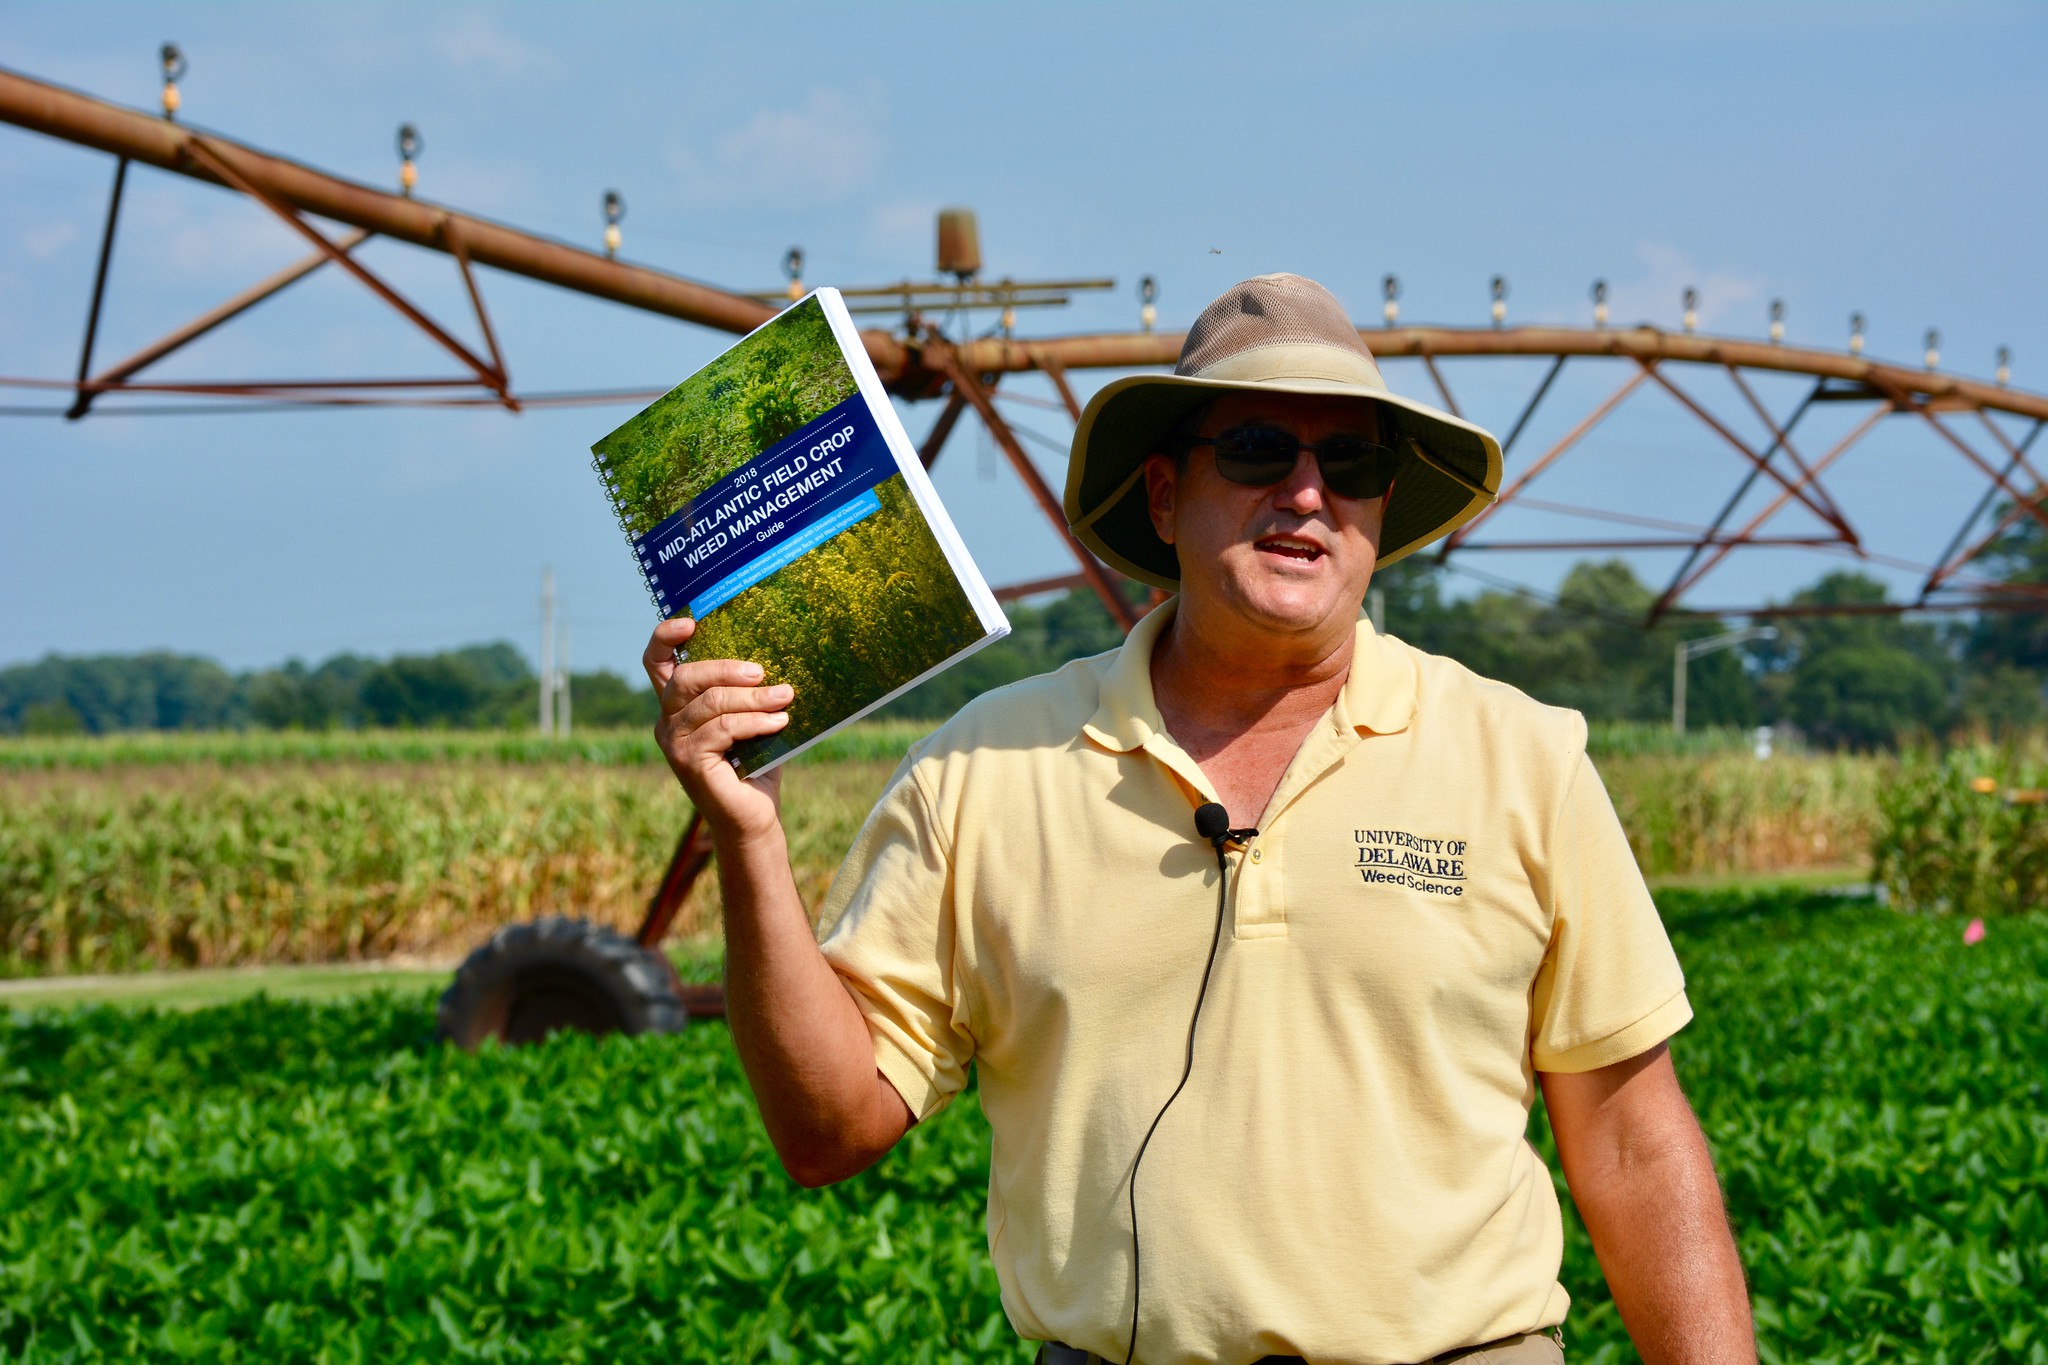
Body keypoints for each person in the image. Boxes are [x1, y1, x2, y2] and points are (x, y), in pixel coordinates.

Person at [645, 274, 1756, 1365]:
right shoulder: (984, 767)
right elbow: (828, 1127)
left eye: (1352, 463)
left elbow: (1631, 1144)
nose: (1308, 493)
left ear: (1379, 510)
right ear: (1165, 496)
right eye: (1259, 450)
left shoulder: (1520, 757)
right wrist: (750, 841)